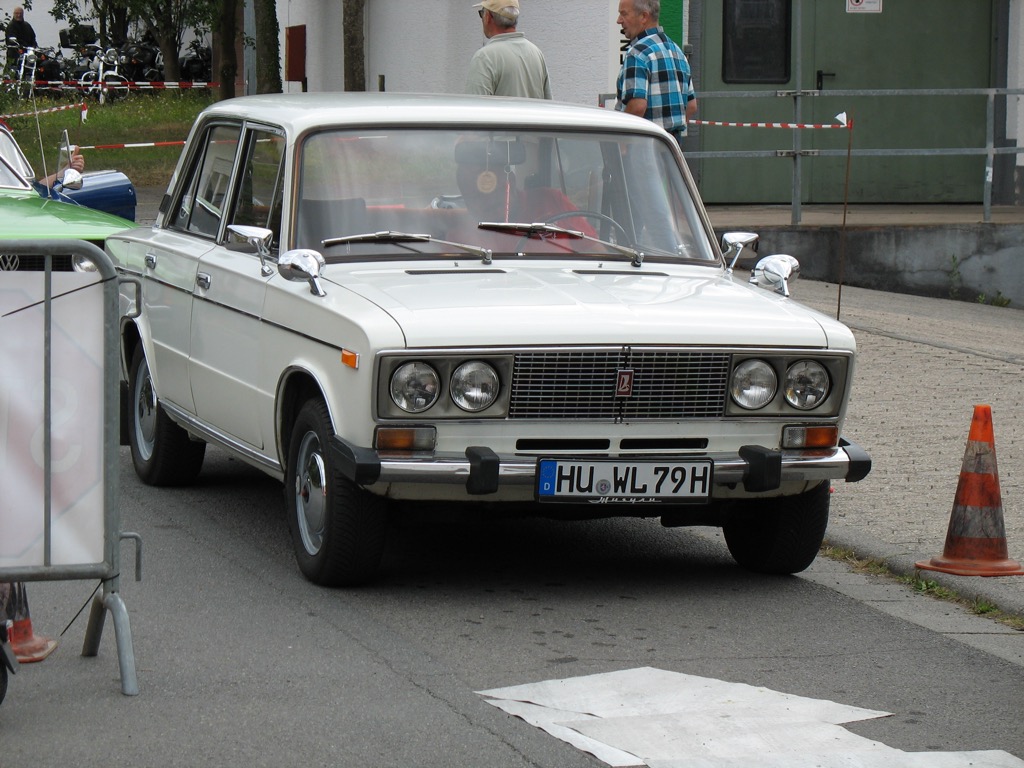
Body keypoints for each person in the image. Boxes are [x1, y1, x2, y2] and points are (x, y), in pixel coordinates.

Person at [615, 0, 697, 145]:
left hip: (643, 146)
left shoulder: (638, 53)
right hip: (671, 146)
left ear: (643, 17)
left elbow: (637, 106)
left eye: (624, 14)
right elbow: (691, 106)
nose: (619, 20)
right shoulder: (676, 51)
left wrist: (622, 142)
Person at [466, 0, 552, 99]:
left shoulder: (484, 58)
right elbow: (548, 105)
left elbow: (475, 108)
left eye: (482, 13)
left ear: (488, 16)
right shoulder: (536, 53)